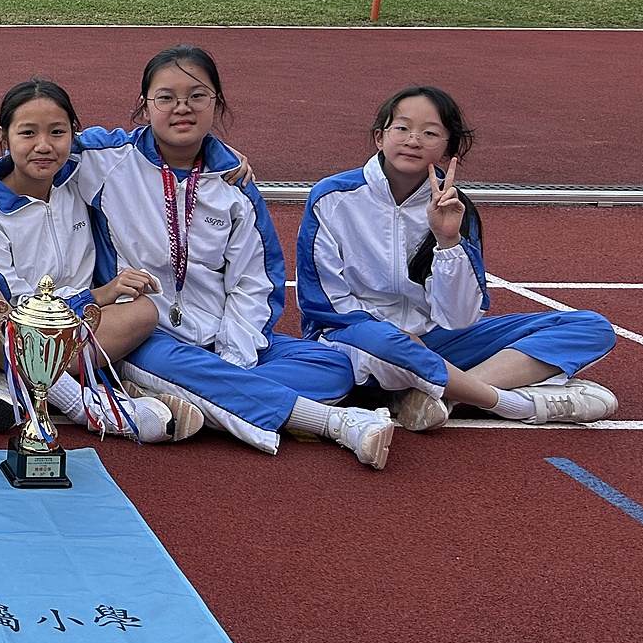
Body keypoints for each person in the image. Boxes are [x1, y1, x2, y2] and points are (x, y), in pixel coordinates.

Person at [47, 46, 397, 468]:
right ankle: (338, 423)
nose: (182, 108)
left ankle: (191, 393)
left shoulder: (233, 183)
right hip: (146, 334)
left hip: (219, 334)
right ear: (144, 105)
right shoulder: (105, 159)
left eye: (197, 96)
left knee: (333, 366)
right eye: (166, 97)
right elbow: (30, 151)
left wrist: (232, 359)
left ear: (217, 103)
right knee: (175, 362)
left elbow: (254, 282)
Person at [297, 86, 617, 428]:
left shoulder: (455, 209)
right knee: (386, 341)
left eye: (430, 133)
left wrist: (448, 240)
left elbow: (460, 318)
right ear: (380, 137)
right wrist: (397, 335)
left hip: (434, 343)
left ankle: (440, 396)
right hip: (356, 341)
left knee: (591, 327)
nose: (413, 140)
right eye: (402, 128)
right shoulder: (332, 198)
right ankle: (512, 404)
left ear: (448, 148)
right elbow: (323, 304)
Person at [0, 78, 198, 443]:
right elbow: (16, 309)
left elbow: (152, 141)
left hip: (73, 325)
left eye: (57, 132)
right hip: (9, 323)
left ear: (74, 135)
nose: (44, 146)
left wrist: (222, 155)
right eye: (27, 133)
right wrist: (99, 295)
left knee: (144, 311)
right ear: (4, 138)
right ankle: (84, 404)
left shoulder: (81, 175)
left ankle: (16, 382)